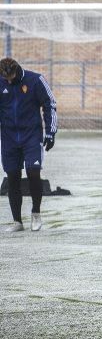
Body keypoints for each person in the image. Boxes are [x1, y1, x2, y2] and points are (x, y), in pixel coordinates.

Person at [0, 58, 57, 233]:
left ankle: (36, 213)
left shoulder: (35, 80)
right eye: (5, 78)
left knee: (33, 172)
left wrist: (50, 132)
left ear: (17, 70)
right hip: (9, 138)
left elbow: (50, 104)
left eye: (11, 77)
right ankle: (17, 221)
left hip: (31, 136)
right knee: (13, 177)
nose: (8, 81)